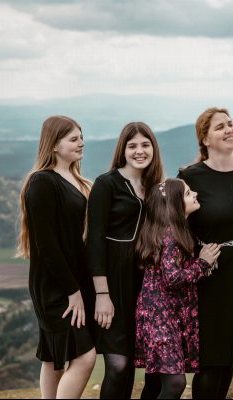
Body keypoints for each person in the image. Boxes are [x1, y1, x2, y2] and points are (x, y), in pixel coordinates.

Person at [177, 107, 233, 399]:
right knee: (212, 359)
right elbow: (175, 228)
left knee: (230, 356)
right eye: (219, 127)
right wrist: (196, 257)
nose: (229, 130)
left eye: (230, 124)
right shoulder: (190, 177)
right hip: (211, 277)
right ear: (205, 138)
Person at [16, 115, 96, 399]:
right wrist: (72, 290)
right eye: (73, 139)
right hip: (56, 286)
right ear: (54, 146)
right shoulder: (42, 183)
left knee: (53, 357)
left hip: (72, 281)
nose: (81, 143)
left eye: (81, 137)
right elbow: (46, 245)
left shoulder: (75, 179)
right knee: (85, 357)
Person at [86, 122, 164, 398]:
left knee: (136, 362)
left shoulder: (155, 186)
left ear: (153, 148)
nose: (139, 151)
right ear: (123, 150)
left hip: (146, 281)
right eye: (132, 146)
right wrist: (102, 294)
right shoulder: (106, 184)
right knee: (118, 364)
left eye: (145, 145)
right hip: (113, 280)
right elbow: (94, 241)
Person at [134, 179, 221, 399]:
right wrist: (203, 262)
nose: (195, 194)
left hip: (161, 315)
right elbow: (172, 278)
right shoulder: (171, 235)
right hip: (160, 317)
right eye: (188, 193)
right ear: (174, 204)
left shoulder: (170, 230)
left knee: (157, 381)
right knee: (175, 382)